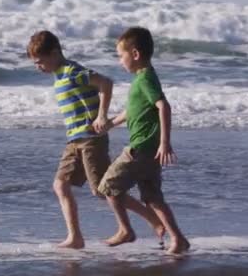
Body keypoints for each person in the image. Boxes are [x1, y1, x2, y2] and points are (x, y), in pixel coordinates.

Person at [26, 30, 165, 249]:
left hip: (91, 138)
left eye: (40, 62)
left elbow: (105, 83)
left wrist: (102, 115)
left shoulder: (72, 71)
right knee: (60, 184)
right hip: (74, 139)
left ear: (54, 53)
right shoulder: (59, 75)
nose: (38, 67)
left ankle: (148, 220)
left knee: (103, 189)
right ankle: (75, 237)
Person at [98, 27, 190, 254]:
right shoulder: (144, 78)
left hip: (140, 149)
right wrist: (110, 123)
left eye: (121, 55)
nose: (120, 61)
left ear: (135, 54)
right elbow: (132, 110)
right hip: (150, 152)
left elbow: (163, 106)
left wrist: (165, 142)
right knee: (152, 198)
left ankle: (125, 230)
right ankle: (178, 239)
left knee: (108, 186)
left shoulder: (145, 79)